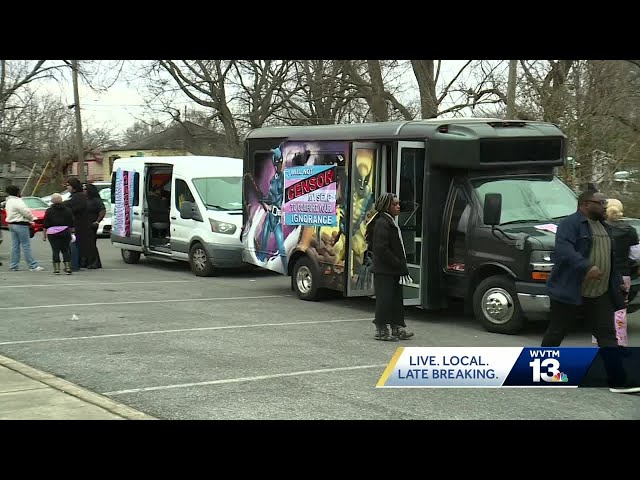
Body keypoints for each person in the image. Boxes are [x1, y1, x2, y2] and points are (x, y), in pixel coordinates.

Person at [543, 189, 639, 393]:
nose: (605, 206)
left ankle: (618, 380)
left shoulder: (604, 227)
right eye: (600, 202)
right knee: (557, 331)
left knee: (607, 334)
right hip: (570, 289)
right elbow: (564, 250)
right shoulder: (569, 224)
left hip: (599, 291)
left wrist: (616, 281)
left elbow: (608, 259)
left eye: (604, 202)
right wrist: (586, 267)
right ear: (585, 204)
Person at [589, 198, 638, 346]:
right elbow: (636, 255)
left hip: (600, 272)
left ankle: (598, 339)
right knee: (620, 307)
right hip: (623, 274)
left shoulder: (597, 228)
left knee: (598, 306)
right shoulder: (630, 230)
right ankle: (621, 341)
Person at [365, 192, 414, 341]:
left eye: (399, 203)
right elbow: (381, 248)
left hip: (393, 270)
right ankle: (381, 330)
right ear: (387, 206)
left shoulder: (390, 221)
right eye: (395, 204)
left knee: (395, 301)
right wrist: (397, 263)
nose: (398, 206)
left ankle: (396, 328)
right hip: (384, 270)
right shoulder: (382, 222)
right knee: (384, 301)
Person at [4, 185, 44, 272]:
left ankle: (14, 265)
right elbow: (26, 212)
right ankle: (32, 265)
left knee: (15, 246)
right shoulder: (18, 201)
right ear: (17, 192)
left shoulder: (8, 201)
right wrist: (32, 219)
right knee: (26, 246)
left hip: (11, 224)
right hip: (20, 225)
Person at [42, 193, 74, 274]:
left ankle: (56, 269)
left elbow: (45, 223)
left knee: (55, 250)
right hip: (65, 231)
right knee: (65, 250)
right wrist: (71, 232)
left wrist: (44, 235)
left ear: (52, 201)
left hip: (52, 232)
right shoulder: (68, 210)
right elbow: (71, 222)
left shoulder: (49, 211)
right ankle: (68, 267)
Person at [63, 177, 90, 271]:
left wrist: (64, 205)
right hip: (75, 224)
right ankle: (76, 263)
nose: (67, 188)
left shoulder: (79, 196)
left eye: (68, 185)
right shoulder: (75, 196)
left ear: (73, 186)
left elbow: (75, 208)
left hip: (79, 224)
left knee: (74, 245)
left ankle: (75, 264)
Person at [84, 182, 106, 269]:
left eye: (85, 189)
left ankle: (95, 262)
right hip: (84, 224)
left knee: (91, 244)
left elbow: (102, 211)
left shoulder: (96, 200)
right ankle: (87, 261)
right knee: (86, 244)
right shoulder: (84, 200)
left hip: (92, 224)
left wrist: (97, 221)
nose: (84, 191)